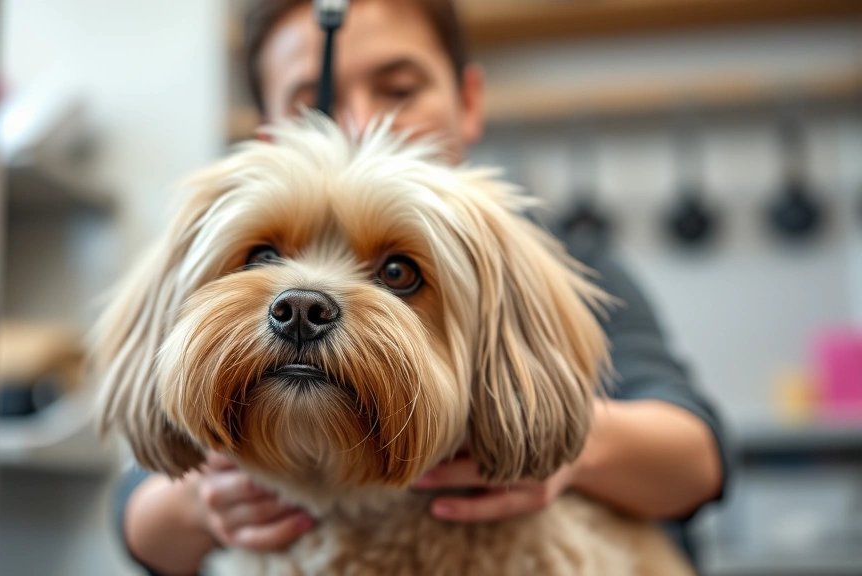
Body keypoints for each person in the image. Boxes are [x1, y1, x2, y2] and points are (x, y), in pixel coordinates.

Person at [114, 1, 731, 574]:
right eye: (314, 101)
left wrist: (558, 450)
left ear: (467, 101)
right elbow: (139, 516)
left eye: (397, 275)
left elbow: (698, 457)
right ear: (268, 131)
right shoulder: (212, 225)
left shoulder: (553, 254)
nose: (361, 122)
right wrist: (203, 505)